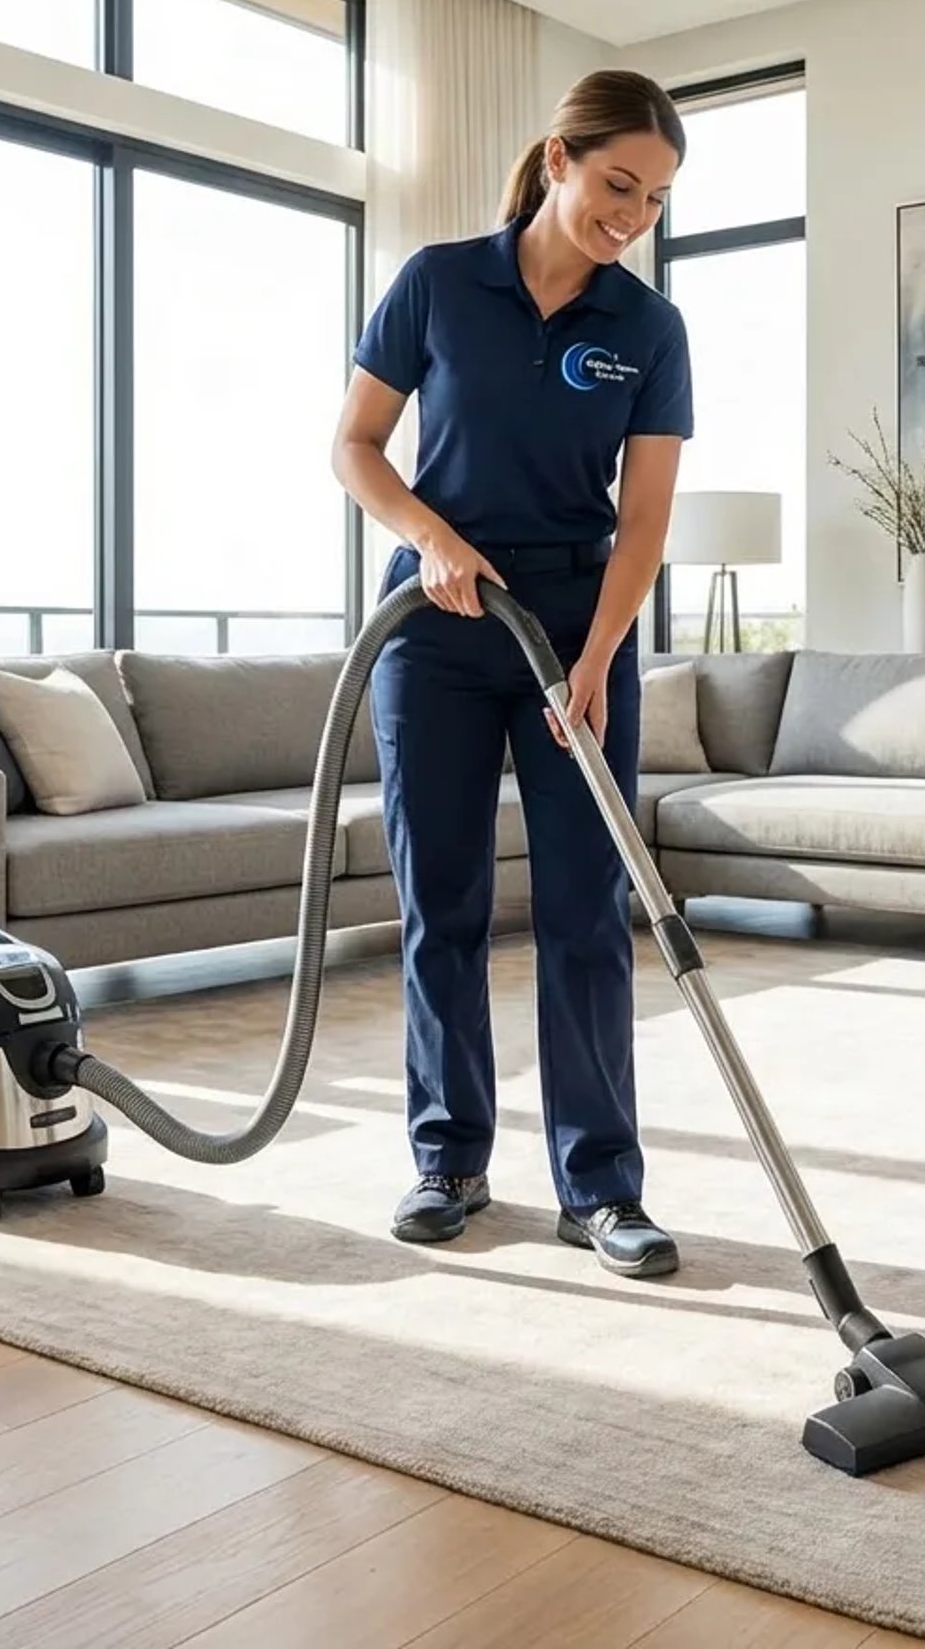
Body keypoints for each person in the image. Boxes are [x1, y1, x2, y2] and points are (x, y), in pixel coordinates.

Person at [331, 70, 692, 1278]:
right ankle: (449, 1161)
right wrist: (432, 538)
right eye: (617, 184)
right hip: (433, 621)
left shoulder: (648, 329)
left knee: (587, 910)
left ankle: (600, 1188)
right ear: (558, 160)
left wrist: (596, 655)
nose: (631, 215)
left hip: (576, 626)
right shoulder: (439, 282)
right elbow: (356, 445)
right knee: (444, 904)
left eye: (652, 199)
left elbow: (642, 524)